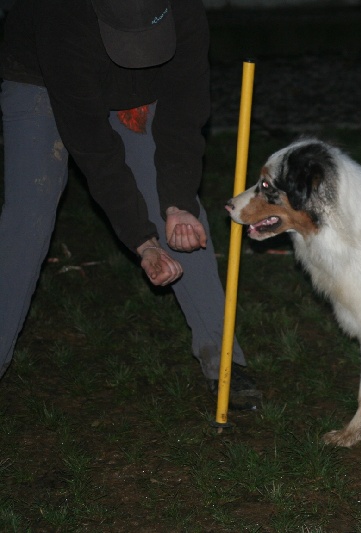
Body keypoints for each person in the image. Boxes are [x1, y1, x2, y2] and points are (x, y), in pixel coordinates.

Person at [0, 0, 261, 408]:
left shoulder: (186, 11)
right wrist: (143, 241)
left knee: (181, 213)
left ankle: (224, 360)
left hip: (137, 84)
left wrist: (175, 203)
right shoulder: (61, 17)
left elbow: (183, 113)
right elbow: (93, 148)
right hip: (40, 74)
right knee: (28, 218)